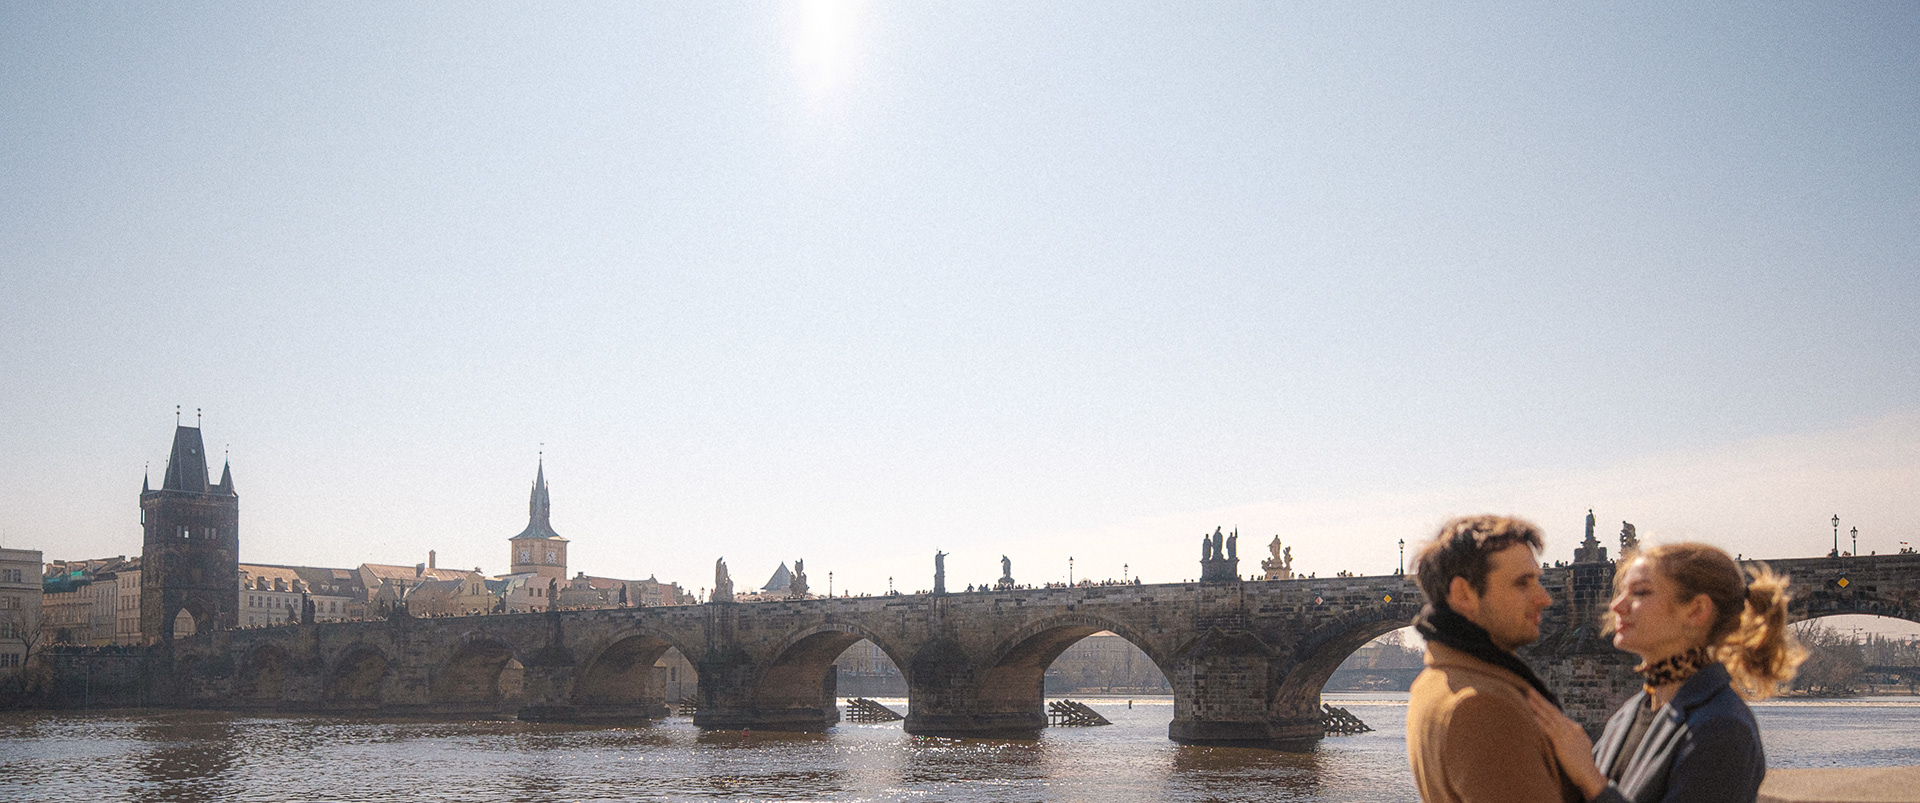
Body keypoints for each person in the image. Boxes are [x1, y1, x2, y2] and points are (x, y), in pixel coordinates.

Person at [1531, 543, 1803, 803]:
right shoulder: (1631, 712)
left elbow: (1595, 789)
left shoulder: (1723, 728)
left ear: (1696, 610)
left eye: (1640, 593)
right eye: (1623, 591)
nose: (1616, 606)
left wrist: (1590, 779)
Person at [1406, 515, 1584, 803]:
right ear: (1464, 594)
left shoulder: (1432, 681)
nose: (1544, 598)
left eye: (1537, 580)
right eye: (1522, 583)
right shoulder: (1482, 705)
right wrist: (1596, 785)